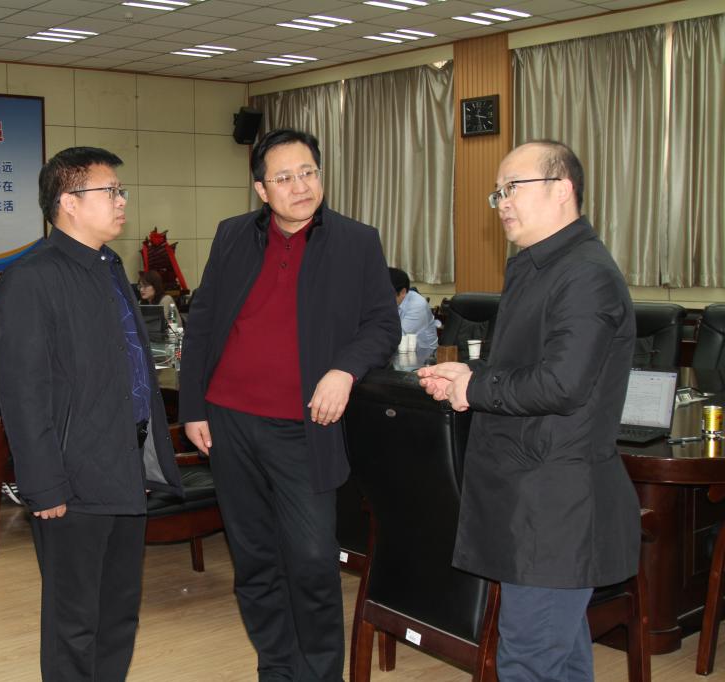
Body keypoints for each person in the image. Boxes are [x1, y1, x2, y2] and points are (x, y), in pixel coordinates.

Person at [179, 128, 400, 681]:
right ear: (261, 189)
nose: (301, 186)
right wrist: (193, 406)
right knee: (254, 560)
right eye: (284, 178)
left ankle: (319, 675)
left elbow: (382, 324)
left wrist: (344, 369)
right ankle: (276, 669)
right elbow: (202, 321)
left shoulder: (356, 241)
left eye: (309, 173)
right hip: (228, 420)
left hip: (302, 428)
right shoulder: (232, 235)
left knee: (312, 560)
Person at [417, 141, 640, 681]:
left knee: (529, 660)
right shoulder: (537, 266)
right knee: (558, 658)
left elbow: (562, 384)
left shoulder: (585, 274)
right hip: (527, 497)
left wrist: (476, 388)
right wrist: (468, 376)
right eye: (498, 192)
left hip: (554, 505)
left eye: (512, 188)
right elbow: (520, 367)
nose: (501, 203)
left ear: (562, 189)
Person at [0, 146, 183, 681]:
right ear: (69, 202)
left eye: (121, 191)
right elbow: (22, 392)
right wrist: (43, 486)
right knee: (74, 623)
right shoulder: (32, 277)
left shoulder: (109, 265)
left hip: (123, 465)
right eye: (110, 191)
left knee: (118, 614)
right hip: (72, 478)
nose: (122, 201)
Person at [389, 266, 439, 351]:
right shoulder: (390, 302)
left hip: (426, 355)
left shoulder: (417, 306)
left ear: (403, 292)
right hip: (402, 353)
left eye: (386, 293)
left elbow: (397, 339)